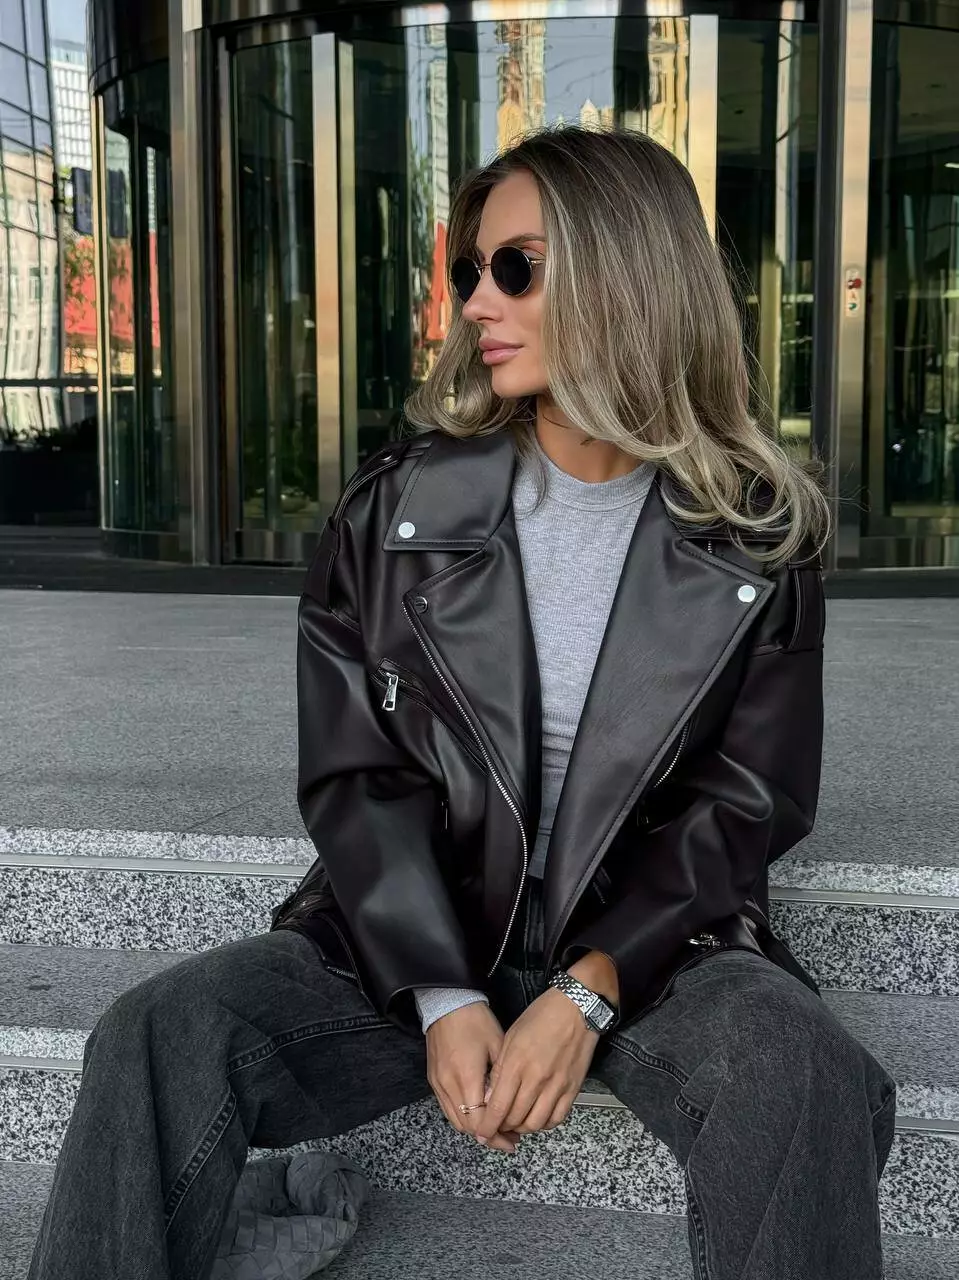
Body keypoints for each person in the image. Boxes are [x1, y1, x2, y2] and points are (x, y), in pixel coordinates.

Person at [27, 125, 897, 1280]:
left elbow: (746, 801)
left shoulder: (752, 536)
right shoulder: (394, 512)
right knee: (160, 1029)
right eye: (470, 270)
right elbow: (359, 776)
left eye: (515, 268)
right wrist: (441, 993)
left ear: (628, 274)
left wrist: (586, 990)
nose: (476, 302)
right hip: (418, 928)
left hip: (651, 946)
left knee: (798, 1067)